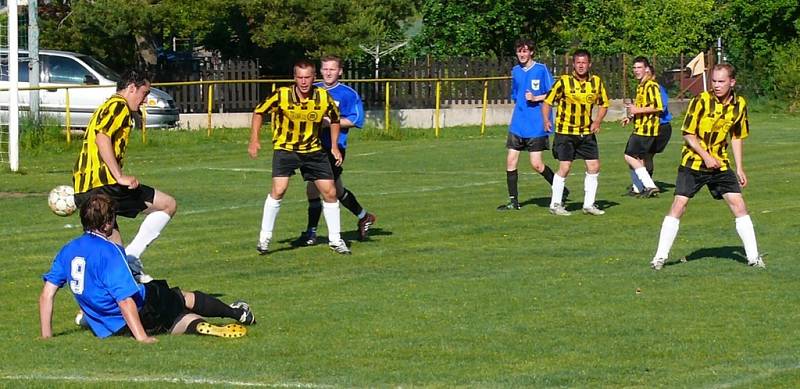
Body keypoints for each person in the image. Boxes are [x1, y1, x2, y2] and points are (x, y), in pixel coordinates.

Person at [39, 194, 256, 343]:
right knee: (179, 297)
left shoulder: (67, 250)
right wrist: (141, 337)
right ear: (106, 224)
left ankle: (199, 326)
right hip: (137, 312)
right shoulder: (109, 252)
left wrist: (46, 336)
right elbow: (125, 300)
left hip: (109, 329)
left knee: (170, 322)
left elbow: (47, 295)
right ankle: (236, 312)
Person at [650, 64, 764, 270]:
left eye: (721, 81)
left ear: (732, 82)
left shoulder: (740, 105)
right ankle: (659, 258)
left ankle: (754, 258)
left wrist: (739, 167)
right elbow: (687, 133)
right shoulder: (701, 101)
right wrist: (705, 155)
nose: (717, 85)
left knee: (739, 206)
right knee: (679, 206)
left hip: (720, 165)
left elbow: (737, 136)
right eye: (714, 81)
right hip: (693, 163)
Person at [72, 70, 177, 283]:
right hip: (103, 185)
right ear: (131, 88)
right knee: (167, 205)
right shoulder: (119, 105)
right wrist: (119, 175)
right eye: (144, 93)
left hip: (84, 187)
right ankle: (132, 258)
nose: (145, 100)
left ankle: (92, 307)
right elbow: (103, 137)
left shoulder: (107, 105)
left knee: (113, 253)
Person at [249, 59, 350, 255]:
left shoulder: (322, 96)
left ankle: (336, 240)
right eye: (300, 78)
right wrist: (254, 139)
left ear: (314, 78)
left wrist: (335, 146)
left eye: (307, 77)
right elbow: (259, 111)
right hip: (286, 149)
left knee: (329, 192)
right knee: (279, 190)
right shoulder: (282, 95)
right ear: (294, 78)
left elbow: (335, 118)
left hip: (313, 150)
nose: (303, 82)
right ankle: (264, 238)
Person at [297, 55, 376, 246]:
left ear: (340, 71)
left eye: (332, 69)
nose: (328, 72)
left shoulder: (347, 94)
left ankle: (311, 233)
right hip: (311, 146)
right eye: (325, 69)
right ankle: (365, 217)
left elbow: (355, 120)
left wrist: (328, 123)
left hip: (333, 148)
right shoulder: (312, 90)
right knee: (336, 190)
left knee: (314, 189)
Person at [498, 39, 568, 211]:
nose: (521, 54)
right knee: (510, 160)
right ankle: (513, 201)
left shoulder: (541, 69)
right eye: (519, 51)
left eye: (525, 51)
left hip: (536, 124)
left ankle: (561, 189)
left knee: (536, 164)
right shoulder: (515, 71)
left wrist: (536, 98)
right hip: (518, 124)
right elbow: (516, 95)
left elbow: (554, 94)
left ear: (531, 52)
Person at [542, 49, 609, 216]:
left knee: (594, 166)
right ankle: (555, 204)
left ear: (589, 64)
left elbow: (604, 104)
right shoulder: (563, 82)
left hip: (586, 132)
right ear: (573, 64)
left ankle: (589, 205)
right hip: (565, 132)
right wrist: (546, 120)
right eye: (578, 62)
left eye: (584, 62)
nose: (581, 66)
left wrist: (597, 121)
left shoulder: (596, 82)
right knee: (565, 167)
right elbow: (547, 101)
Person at [621, 57, 663, 198]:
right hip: (639, 127)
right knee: (635, 159)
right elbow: (640, 106)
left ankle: (649, 185)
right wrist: (630, 117)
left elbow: (657, 106)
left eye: (639, 67)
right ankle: (638, 188)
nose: (636, 71)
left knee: (629, 156)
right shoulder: (641, 86)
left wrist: (636, 111)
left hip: (647, 129)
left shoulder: (651, 86)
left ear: (646, 69)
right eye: (634, 68)